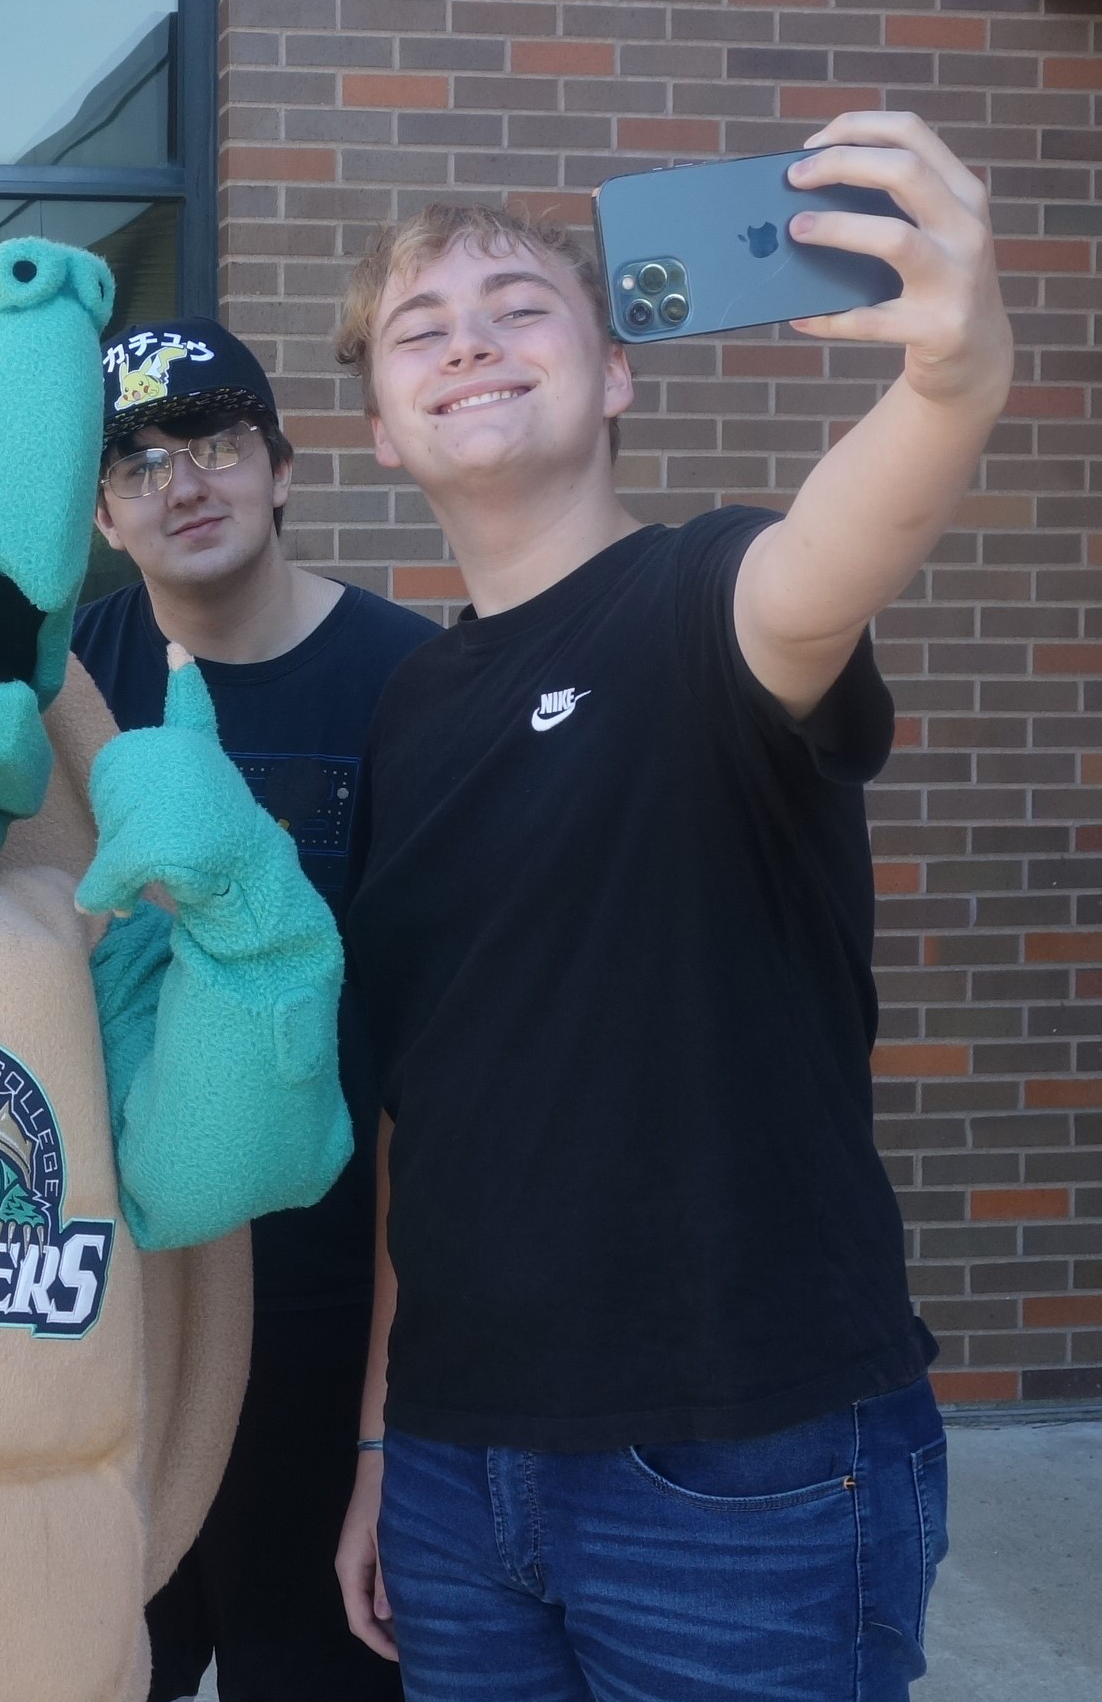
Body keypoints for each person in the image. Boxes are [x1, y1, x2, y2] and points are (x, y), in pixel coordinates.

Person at [327, 112, 1010, 1702]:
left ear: (617, 373)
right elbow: (419, 1119)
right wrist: (380, 1435)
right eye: (418, 331)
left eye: (518, 309)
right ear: (374, 428)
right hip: (452, 1462)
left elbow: (823, 560)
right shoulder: (409, 704)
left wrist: (949, 381)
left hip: (736, 1460)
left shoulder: (709, 596)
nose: (469, 343)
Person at [73, 316, 435, 1701]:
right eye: (137, 461)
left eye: (215, 439)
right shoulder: (54, 698)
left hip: (322, 1304)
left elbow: (427, 1069)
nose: (182, 479)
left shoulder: (408, 686)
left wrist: (384, 1429)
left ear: (280, 468)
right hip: (114, 1309)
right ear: (105, 514)